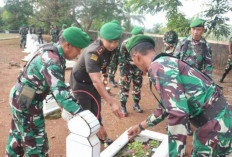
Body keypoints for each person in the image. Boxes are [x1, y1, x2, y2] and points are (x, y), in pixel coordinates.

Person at [126, 35, 232, 156]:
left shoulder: (159, 67)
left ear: (136, 56)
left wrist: (175, 154)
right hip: (224, 119)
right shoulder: (166, 61)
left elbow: (177, 113)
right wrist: (140, 126)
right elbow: (166, 107)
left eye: (132, 60)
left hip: (215, 128)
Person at [5, 27, 90, 156]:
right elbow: (61, 94)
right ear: (68, 45)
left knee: (19, 134)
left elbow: (54, 86)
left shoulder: (51, 49)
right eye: (78, 49)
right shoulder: (52, 60)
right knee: (36, 144)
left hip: (23, 95)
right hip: (27, 100)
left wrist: (63, 106)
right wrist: (83, 116)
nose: (78, 54)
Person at [69, 22, 123, 143]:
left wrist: (105, 75)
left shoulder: (110, 48)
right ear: (101, 38)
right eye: (110, 41)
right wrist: (112, 103)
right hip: (80, 82)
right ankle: (84, 142)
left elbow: (105, 63)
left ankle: (99, 138)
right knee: (85, 113)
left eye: (116, 41)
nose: (113, 45)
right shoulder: (93, 52)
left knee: (96, 108)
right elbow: (95, 80)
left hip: (92, 81)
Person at [174, 18, 213, 135]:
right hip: (181, 77)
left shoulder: (205, 45)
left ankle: (187, 124)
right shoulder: (183, 42)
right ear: (191, 29)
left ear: (203, 30)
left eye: (199, 29)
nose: (196, 32)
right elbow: (175, 59)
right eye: (194, 29)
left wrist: (207, 80)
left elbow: (209, 64)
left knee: (192, 102)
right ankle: (172, 123)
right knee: (178, 100)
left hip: (196, 80)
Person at [118, 26, 144, 116]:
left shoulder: (143, 44)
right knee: (124, 86)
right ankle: (123, 106)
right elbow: (121, 59)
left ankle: (136, 104)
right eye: (135, 36)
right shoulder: (125, 44)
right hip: (127, 67)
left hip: (138, 68)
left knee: (137, 87)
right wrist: (123, 74)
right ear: (132, 35)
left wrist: (144, 69)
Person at [108, 20, 121, 88]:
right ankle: (111, 79)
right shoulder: (109, 35)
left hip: (117, 52)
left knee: (115, 66)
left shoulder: (118, 35)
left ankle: (112, 78)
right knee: (112, 65)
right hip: (111, 53)